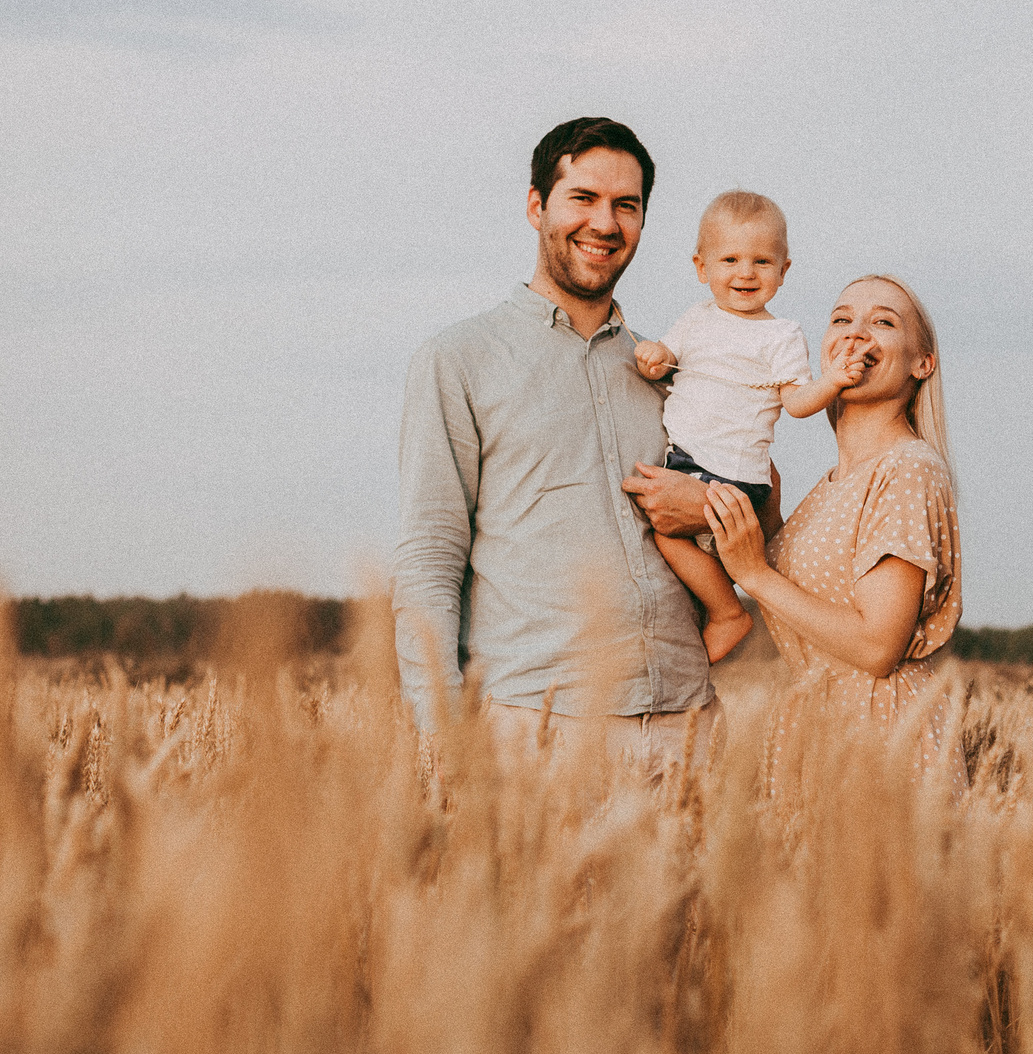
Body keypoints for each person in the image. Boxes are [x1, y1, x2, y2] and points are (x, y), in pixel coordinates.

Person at [391, 116, 723, 766]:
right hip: (536, 729)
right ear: (537, 205)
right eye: (584, 198)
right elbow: (431, 556)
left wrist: (709, 506)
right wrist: (439, 732)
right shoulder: (458, 359)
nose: (605, 223)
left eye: (626, 205)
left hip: (688, 723)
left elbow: (737, 526)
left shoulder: (669, 372)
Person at [700, 275, 962, 781]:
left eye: (882, 321)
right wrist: (768, 526)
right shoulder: (831, 484)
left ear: (921, 363)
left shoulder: (907, 468)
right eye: (841, 319)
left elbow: (877, 647)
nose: (856, 332)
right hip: (821, 728)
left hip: (882, 739)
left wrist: (755, 574)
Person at [630, 191, 860, 662]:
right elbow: (666, 358)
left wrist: (833, 380)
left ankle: (727, 612)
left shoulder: (780, 336)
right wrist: (653, 357)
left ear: (783, 270)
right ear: (701, 267)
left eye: (761, 261)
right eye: (730, 259)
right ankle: (708, 612)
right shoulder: (695, 319)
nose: (745, 272)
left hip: (735, 477)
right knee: (667, 543)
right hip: (686, 463)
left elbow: (796, 403)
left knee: (666, 536)